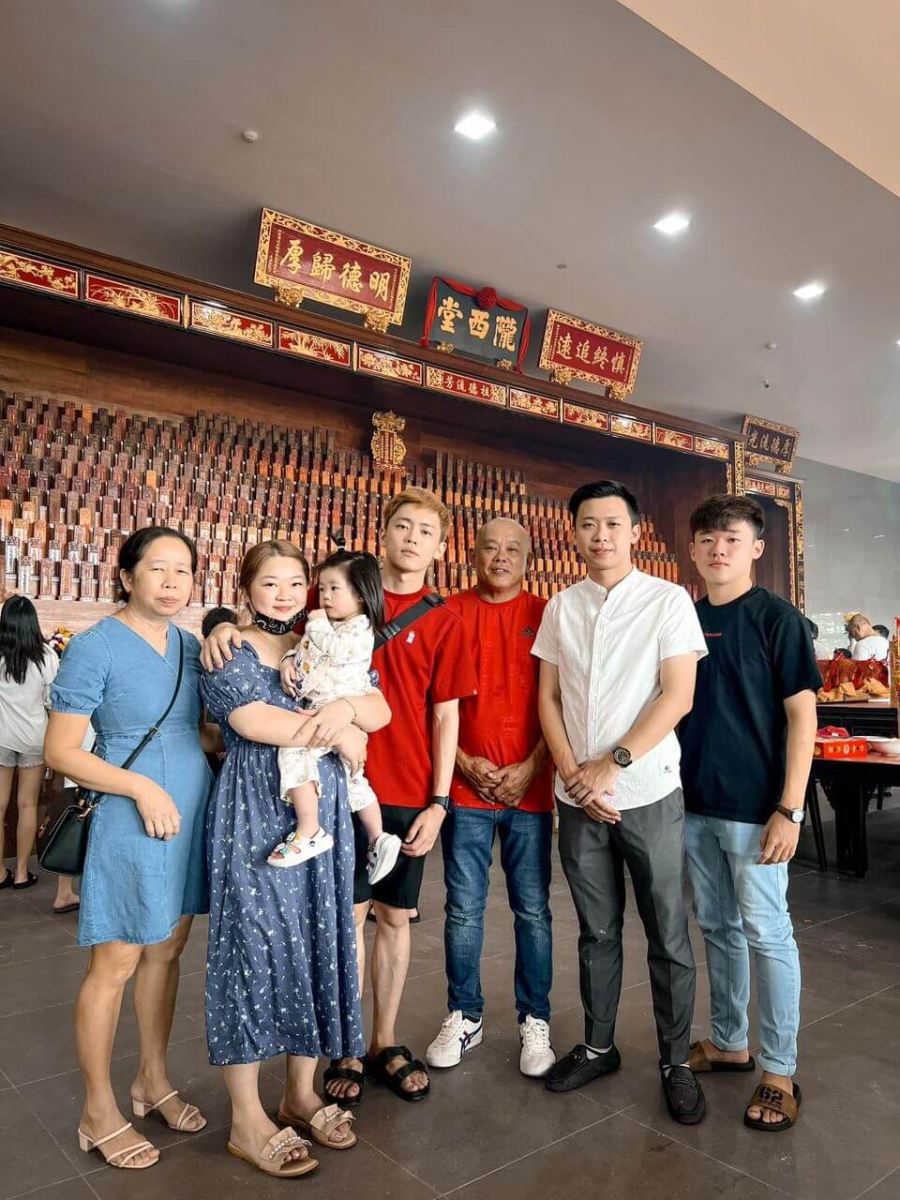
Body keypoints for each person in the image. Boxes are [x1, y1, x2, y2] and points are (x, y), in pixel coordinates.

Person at [204, 487, 478, 1105]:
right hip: (329, 781)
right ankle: (346, 1044)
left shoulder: (444, 620)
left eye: (426, 531)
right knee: (343, 917)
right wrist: (218, 622)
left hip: (403, 784)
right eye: (402, 526)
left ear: (440, 546)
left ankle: (383, 1040)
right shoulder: (328, 599)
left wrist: (439, 801)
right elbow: (265, 618)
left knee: (396, 917)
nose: (412, 539)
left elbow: (446, 717)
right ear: (383, 534)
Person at [201, 539, 392, 1177]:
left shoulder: (323, 639)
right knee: (252, 946)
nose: (283, 595)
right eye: (269, 584)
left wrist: (347, 711)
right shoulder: (230, 648)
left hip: (325, 812)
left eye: (293, 583)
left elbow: (381, 707)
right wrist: (341, 732)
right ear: (246, 589)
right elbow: (253, 722)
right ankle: (245, 1117)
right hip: (256, 812)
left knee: (316, 941)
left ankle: (299, 1093)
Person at [533, 480, 708, 1125]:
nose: (600, 535)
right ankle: (599, 1044)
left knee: (667, 930)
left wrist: (612, 764)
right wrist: (573, 772)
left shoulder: (667, 601)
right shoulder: (562, 607)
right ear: (574, 533)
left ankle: (675, 1061)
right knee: (596, 928)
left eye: (612, 523)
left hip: (647, 791)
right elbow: (549, 697)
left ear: (634, 531)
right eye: (588, 524)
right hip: (578, 796)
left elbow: (677, 695)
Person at [43, 527, 215, 1171]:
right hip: (129, 814)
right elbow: (61, 750)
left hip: (189, 812)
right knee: (116, 961)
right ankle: (97, 1110)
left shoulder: (190, 646)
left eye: (183, 571)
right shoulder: (95, 646)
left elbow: (199, 731)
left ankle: (151, 1079)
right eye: (157, 569)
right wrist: (141, 786)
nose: (172, 583)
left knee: (167, 951)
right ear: (126, 577)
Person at [679, 494, 820, 1132]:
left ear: (756, 549)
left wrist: (790, 809)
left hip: (756, 811)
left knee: (766, 932)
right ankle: (730, 1042)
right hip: (694, 804)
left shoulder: (777, 619)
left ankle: (780, 1070)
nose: (719, 549)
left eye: (732, 539)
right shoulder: (683, 618)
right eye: (708, 539)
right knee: (717, 926)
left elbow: (802, 718)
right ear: (693, 549)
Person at [426, 518, 556, 1078]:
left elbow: (562, 703)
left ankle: (536, 1018)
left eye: (513, 549)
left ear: (528, 558)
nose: (500, 557)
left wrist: (531, 766)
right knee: (463, 909)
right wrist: (463, 762)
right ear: (471, 553)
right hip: (465, 790)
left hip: (532, 789)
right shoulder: (448, 612)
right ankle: (465, 1014)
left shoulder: (547, 614)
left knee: (533, 911)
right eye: (490, 547)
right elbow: (430, 702)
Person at [270, 549, 402, 885]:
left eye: (334, 589)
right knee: (353, 779)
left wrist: (315, 624)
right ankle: (378, 836)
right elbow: (305, 650)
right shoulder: (330, 625)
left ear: (360, 595)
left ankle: (309, 829)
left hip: (335, 713)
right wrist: (287, 660)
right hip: (326, 709)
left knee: (293, 752)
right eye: (322, 588)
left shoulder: (359, 628)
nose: (325, 596)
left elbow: (335, 650)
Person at [0, 596, 58, 891]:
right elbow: (52, 702)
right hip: (34, 739)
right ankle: (22, 872)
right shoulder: (47, 656)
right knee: (27, 804)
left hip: (1, 737)